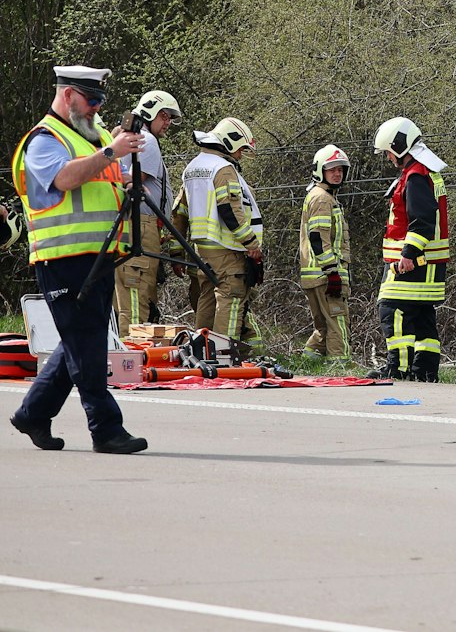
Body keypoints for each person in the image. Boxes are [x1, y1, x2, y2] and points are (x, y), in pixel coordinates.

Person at [7, 64, 149, 454]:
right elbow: (64, 179)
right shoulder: (44, 138)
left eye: (101, 100)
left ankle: (33, 414)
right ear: (68, 95)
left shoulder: (93, 134)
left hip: (98, 257)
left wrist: (125, 175)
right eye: (92, 100)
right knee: (86, 344)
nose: (97, 108)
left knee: (80, 342)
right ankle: (105, 429)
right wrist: (110, 152)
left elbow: (103, 179)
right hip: (62, 259)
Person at [374, 116, 449, 381]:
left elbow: (422, 219)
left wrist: (409, 254)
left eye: (388, 152)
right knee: (421, 314)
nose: (387, 158)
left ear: (398, 146)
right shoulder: (425, 170)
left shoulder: (416, 175)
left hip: (415, 261)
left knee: (391, 309)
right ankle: (425, 371)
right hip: (431, 262)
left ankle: (399, 368)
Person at [182, 117, 264, 353]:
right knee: (232, 297)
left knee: (206, 298)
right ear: (229, 143)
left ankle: (201, 351)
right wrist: (250, 242)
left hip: (202, 248)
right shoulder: (223, 168)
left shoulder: (193, 166)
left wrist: (177, 247)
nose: (240, 156)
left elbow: (180, 209)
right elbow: (229, 209)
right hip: (226, 247)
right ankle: (223, 354)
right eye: (240, 150)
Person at [113, 89, 182, 331]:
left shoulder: (125, 137)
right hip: (140, 225)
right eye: (164, 116)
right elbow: (133, 181)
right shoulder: (147, 140)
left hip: (131, 225)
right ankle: (132, 357)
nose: (168, 123)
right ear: (150, 112)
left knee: (129, 296)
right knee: (136, 296)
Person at [299, 145, 351, 359]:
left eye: (340, 169)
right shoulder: (322, 198)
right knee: (338, 324)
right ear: (320, 170)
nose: (337, 173)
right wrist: (332, 272)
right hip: (326, 275)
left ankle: (307, 363)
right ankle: (341, 367)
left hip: (316, 275)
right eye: (331, 169)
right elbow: (318, 238)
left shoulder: (321, 196)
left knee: (323, 329)